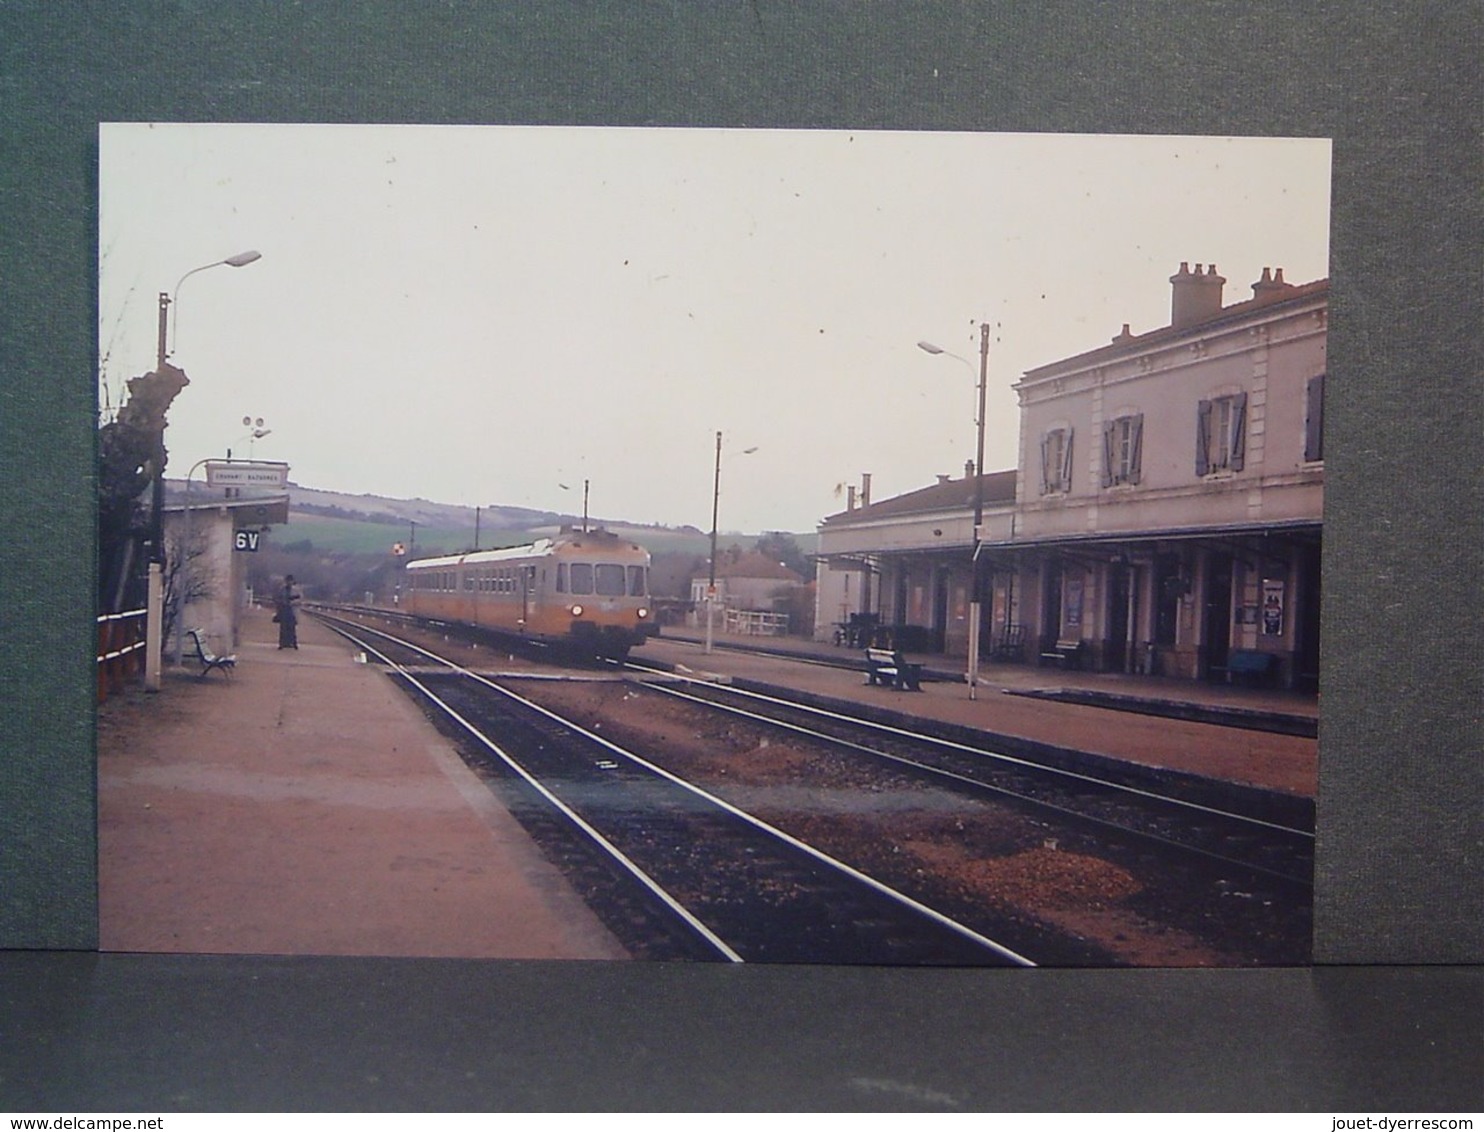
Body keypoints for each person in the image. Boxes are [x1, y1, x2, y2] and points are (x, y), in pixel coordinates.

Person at [275, 574, 300, 649]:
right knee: (283, 628)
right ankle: (282, 643)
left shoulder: (296, 590)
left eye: (290, 581)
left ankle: (293, 643)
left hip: (292, 610)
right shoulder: (282, 589)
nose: (289, 582)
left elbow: (300, 599)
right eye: (288, 581)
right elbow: (278, 598)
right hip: (284, 610)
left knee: (292, 628)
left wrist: (292, 602)